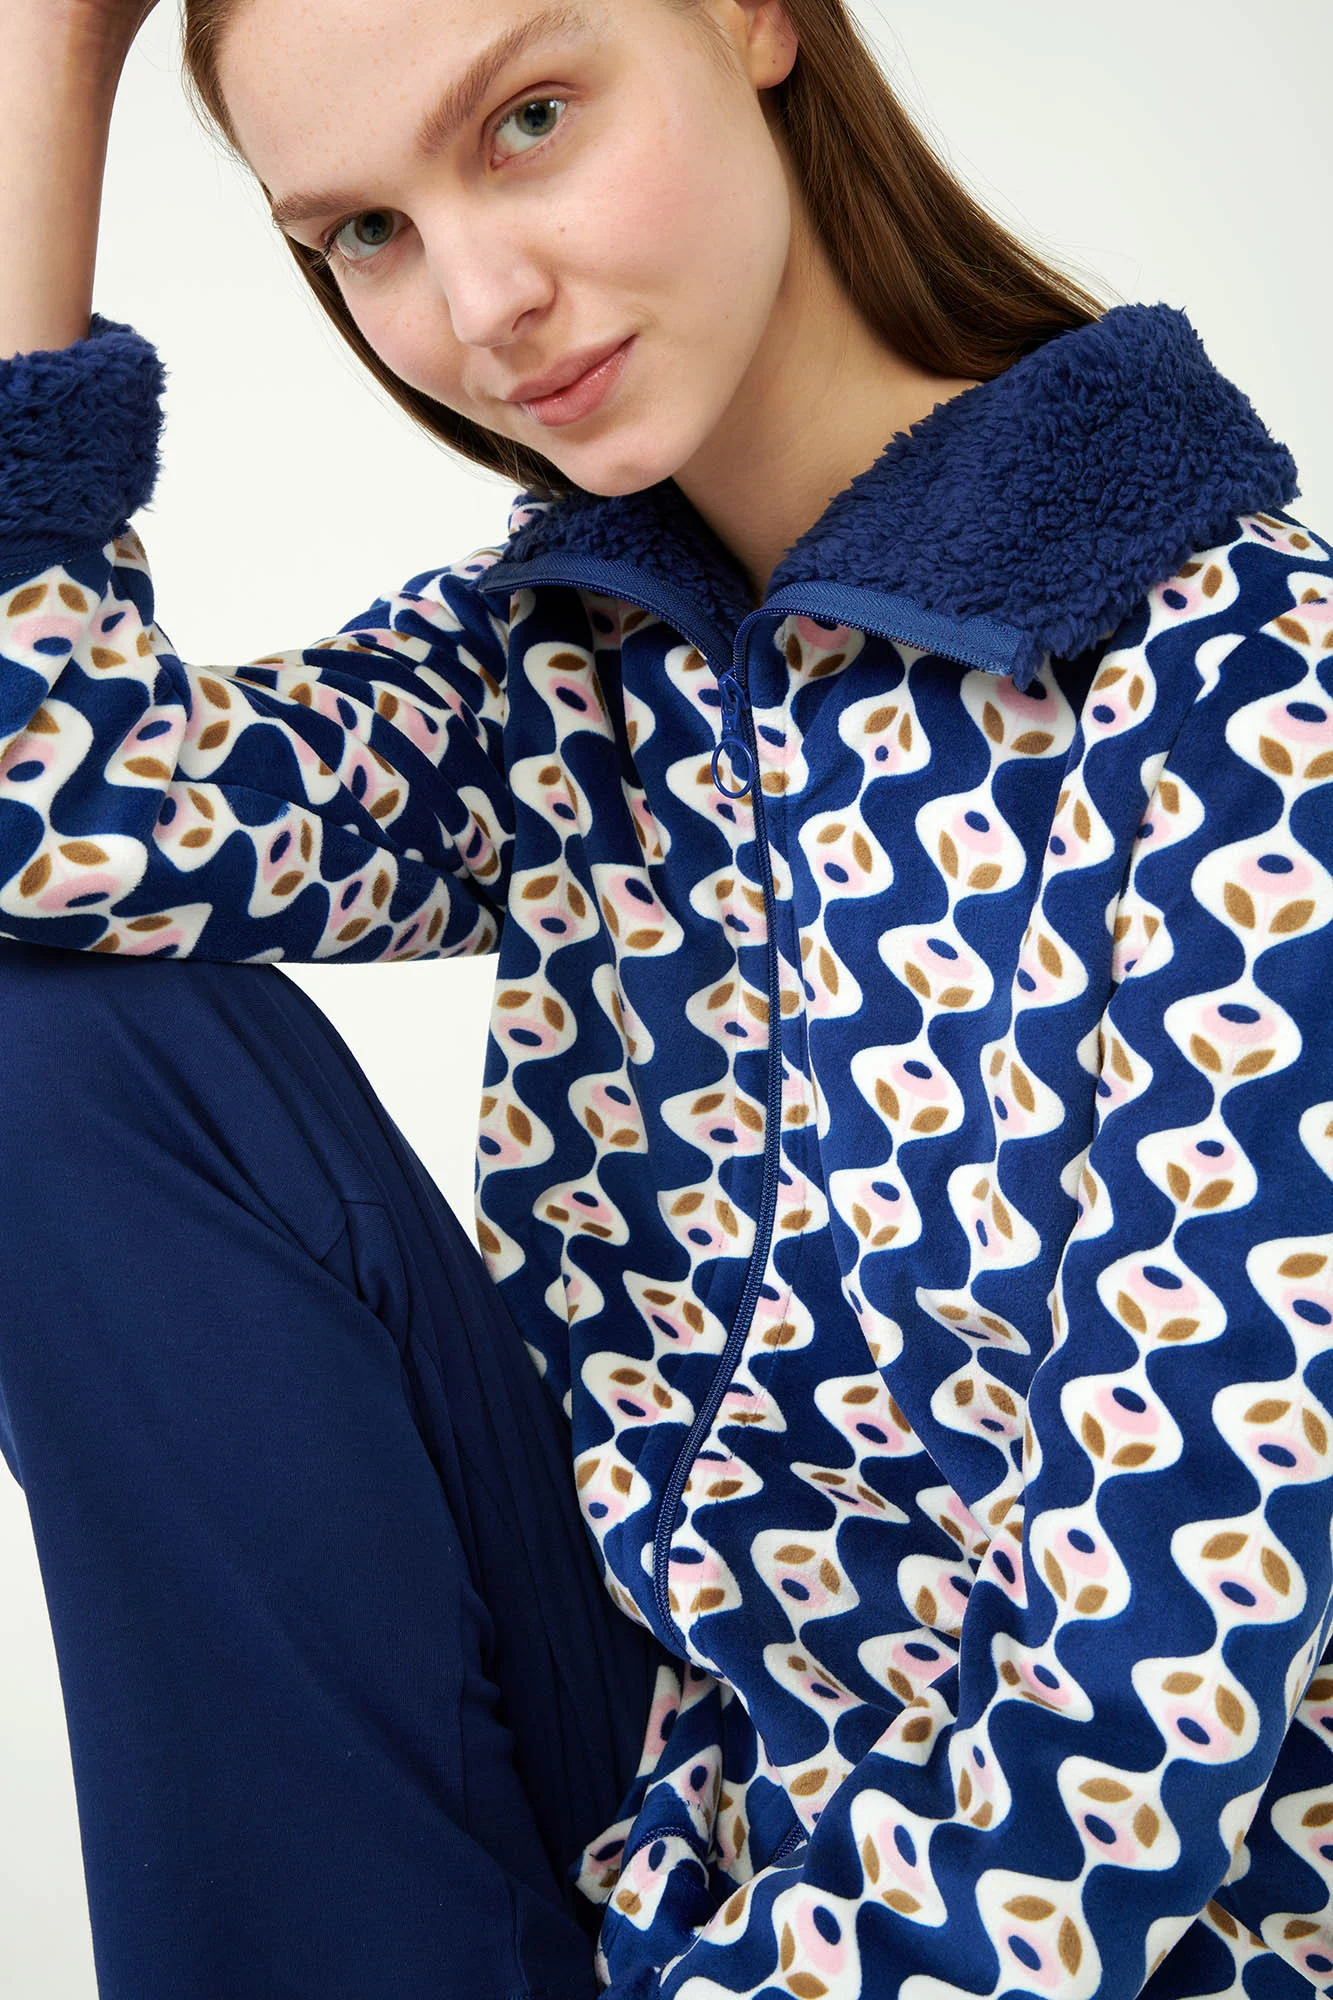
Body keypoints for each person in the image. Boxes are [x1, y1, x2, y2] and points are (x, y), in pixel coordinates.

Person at [1, 1, 1331, 1997]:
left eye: (529, 119)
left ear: (750, 17)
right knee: (52, 1049)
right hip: (656, 1800)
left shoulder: (1252, 708)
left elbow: (1148, 1713)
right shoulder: (559, 669)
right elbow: (46, 810)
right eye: (364, 231)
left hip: (1107, 1930)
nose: (483, 305)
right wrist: (42, 58)